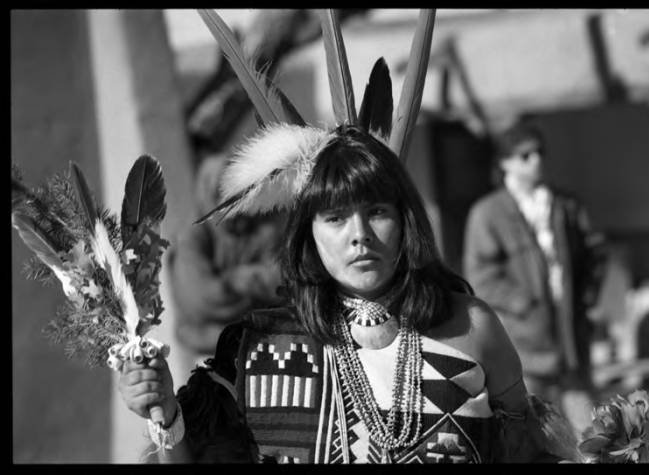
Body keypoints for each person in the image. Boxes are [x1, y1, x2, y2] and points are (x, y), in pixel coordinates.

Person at [117, 123, 581, 464]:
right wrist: (165, 411)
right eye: (335, 218)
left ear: (405, 221)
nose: (359, 235)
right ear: (308, 235)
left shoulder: (471, 325)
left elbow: (530, 452)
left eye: (376, 211)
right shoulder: (257, 351)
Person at [463, 121, 607, 432]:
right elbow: (481, 277)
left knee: (591, 430)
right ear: (505, 163)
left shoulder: (565, 205)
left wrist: (587, 299)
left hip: (571, 336)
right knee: (532, 430)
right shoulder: (487, 213)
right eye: (525, 155)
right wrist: (526, 304)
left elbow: (596, 254)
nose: (536, 160)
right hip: (524, 343)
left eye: (539, 152)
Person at [168, 156, 285, 355]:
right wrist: (239, 283)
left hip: (259, 334)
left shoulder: (264, 229)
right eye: (221, 193)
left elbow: (283, 282)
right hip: (204, 337)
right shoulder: (193, 237)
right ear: (207, 194)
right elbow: (201, 299)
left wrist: (239, 283)